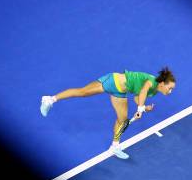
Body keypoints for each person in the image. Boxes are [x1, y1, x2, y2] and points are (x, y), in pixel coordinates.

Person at [40, 67, 176, 159]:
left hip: (120, 92)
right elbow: (143, 91)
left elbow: (137, 96)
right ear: (162, 83)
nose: (170, 92)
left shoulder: (153, 91)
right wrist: (140, 108)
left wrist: (144, 107)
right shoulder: (151, 82)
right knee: (83, 92)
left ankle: (114, 146)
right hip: (113, 81)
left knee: (122, 120)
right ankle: (50, 99)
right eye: (169, 88)